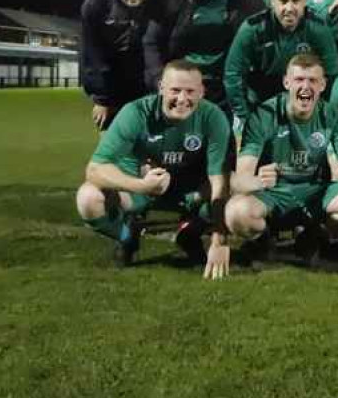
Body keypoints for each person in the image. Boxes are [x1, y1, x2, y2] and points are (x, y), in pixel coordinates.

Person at [224, 53, 338, 278]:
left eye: (313, 81)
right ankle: (264, 240)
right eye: (299, 80)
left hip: (317, 193)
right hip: (274, 194)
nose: (306, 86)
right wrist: (257, 180)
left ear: (322, 85)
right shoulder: (264, 115)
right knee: (236, 211)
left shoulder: (331, 115)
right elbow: (240, 178)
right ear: (287, 82)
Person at [75, 60, 231, 278]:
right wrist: (141, 185)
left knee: (235, 189)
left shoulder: (213, 117)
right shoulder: (135, 113)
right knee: (88, 198)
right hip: (141, 190)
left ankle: (190, 232)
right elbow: (95, 169)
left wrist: (219, 240)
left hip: (190, 192)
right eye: (175, 90)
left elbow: (219, 180)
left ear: (202, 92)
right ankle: (127, 237)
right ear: (161, 88)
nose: (182, 99)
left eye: (190, 91)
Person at [143, 0, 263, 112]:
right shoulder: (174, 3)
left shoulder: (248, 5)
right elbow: (151, 42)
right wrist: (159, 79)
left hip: (223, 93)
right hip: (182, 89)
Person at [224, 0, 338, 137]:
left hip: (303, 100)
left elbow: (331, 72)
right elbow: (233, 74)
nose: (289, 8)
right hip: (258, 100)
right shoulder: (252, 28)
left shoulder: (318, 29)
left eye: (296, 1)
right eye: (283, 1)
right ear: (272, 0)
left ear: (305, 0)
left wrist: (315, 111)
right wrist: (245, 116)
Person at [81, 0, 160, 129]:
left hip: (147, 92)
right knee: (111, 151)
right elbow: (93, 54)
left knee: (148, 150)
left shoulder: (158, 6)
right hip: (111, 93)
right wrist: (101, 99)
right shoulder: (97, 5)